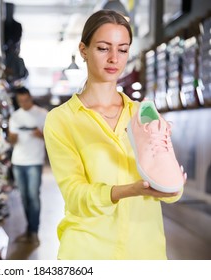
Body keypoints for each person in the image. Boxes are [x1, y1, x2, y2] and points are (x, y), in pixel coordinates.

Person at [43, 10, 184, 259]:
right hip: (88, 252)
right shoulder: (61, 119)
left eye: (122, 49)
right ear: (84, 50)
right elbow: (75, 196)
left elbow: (170, 186)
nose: (113, 59)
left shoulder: (144, 114)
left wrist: (172, 187)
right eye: (103, 48)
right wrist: (129, 190)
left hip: (146, 251)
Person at [8, 86, 48, 243]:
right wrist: (12, 137)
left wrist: (41, 135)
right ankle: (29, 228)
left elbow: (51, 138)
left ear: (30, 97)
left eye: (26, 100)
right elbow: (12, 142)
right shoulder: (15, 117)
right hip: (18, 161)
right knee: (24, 198)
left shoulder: (42, 114)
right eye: (21, 101)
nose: (24, 103)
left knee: (34, 196)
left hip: (34, 161)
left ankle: (34, 231)